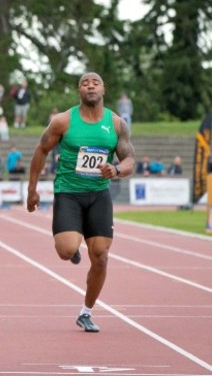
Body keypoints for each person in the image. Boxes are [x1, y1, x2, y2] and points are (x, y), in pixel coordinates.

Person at [26, 72, 135, 333]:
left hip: (99, 194)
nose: (90, 86)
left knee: (101, 256)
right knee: (65, 251)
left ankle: (86, 312)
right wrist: (32, 190)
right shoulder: (63, 121)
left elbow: (130, 160)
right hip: (69, 193)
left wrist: (117, 170)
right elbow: (41, 150)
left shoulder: (117, 123)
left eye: (95, 82)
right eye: (85, 83)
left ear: (103, 89)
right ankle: (74, 244)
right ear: (79, 91)